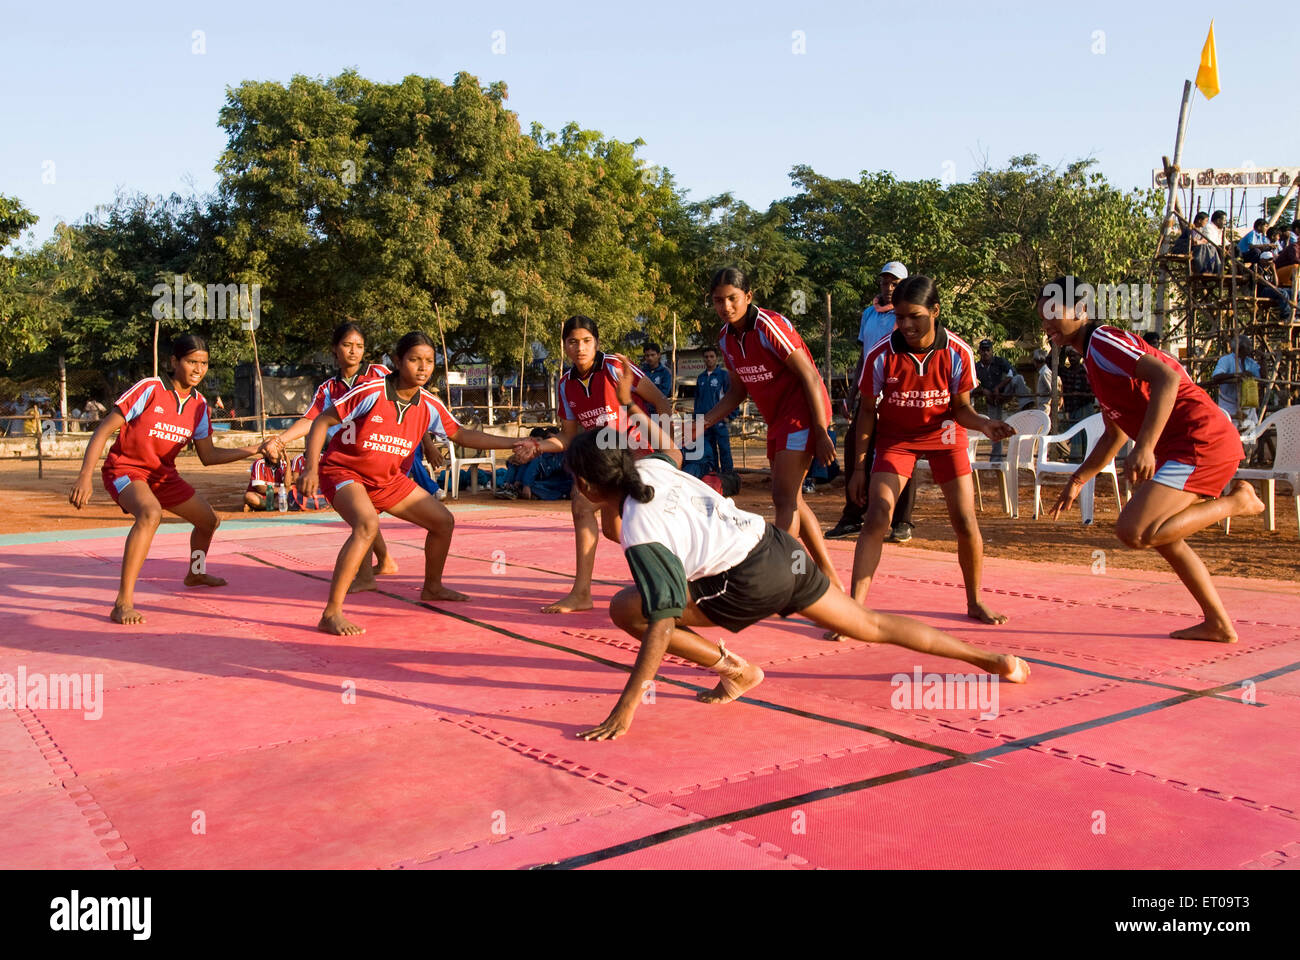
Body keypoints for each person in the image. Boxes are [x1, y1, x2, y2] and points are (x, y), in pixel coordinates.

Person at [565, 428, 1029, 741]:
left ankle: (738, 671)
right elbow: (659, 465)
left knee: (628, 608)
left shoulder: (641, 531)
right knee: (871, 624)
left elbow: (662, 619)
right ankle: (993, 660)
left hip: (745, 580)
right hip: (778, 550)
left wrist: (627, 705)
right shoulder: (653, 469)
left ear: (587, 486)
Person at [1037, 276, 1264, 643]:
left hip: (1200, 439)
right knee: (1163, 536)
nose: (1047, 323)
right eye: (1042, 315)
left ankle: (1238, 502)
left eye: (1054, 311)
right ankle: (1218, 623)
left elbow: (1168, 379)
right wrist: (1079, 478)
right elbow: (1114, 434)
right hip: (1184, 446)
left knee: (1134, 531)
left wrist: (1145, 448)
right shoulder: (1092, 360)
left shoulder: (1105, 340)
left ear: (1081, 311)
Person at [296, 331, 525, 635]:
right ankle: (331, 613)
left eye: (429, 361)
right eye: (415, 360)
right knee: (366, 525)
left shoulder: (430, 403)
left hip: (388, 480)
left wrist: (516, 442)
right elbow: (322, 421)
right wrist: (310, 468)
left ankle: (432, 587)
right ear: (397, 361)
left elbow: (462, 434)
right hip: (344, 472)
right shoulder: (371, 391)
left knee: (443, 521)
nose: (423, 367)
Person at [846, 276, 1016, 626]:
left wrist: (983, 423)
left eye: (915, 317)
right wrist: (860, 469)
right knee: (878, 516)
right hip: (896, 439)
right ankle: (854, 610)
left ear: (935, 311)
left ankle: (975, 601)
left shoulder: (958, 352)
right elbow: (866, 411)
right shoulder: (880, 354)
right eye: (900, 317)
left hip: (946, 434)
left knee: (965, 520)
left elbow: (962, 409)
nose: (906, 324)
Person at [68, 335, 261, 624]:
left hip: (163, 477)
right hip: (125, 471)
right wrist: (85, 476)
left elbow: (208, 456)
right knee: (150, 513)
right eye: (191, 362)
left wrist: (254, 449)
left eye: (204, 363)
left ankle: (196, 572)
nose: (198, 369)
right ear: (174, 362)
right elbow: (103, 430)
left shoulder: (199, 405)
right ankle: (123, 602)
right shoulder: (150, 388)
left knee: (209, 521)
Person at [691, 267, 845, 598]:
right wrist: (703, 422)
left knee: (783, 499)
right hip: (777, 420)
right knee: (794, 501)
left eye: (733, 298)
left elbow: (809, 376)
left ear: (748, 296)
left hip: (804, 415)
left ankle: (781, 578)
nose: (726, 307)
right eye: (718, 301)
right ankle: (828, 577)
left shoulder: (770, 326)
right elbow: (737, 392)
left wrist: (822, 430)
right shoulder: (724, 339)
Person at [517, 315, 671, 613]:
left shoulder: (614, 367)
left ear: (596, 342)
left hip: (640, 455)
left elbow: (662, 402)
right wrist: (538, 446)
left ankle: (585, 592)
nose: (580, 347)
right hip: (605, 461)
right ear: (564, 346)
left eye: (586, 341)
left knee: (584, 503)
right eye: (573, 342)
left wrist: (668, 453)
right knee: (614, 531)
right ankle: (666, 576)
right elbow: (567, 436)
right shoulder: (565, 384)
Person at [262, 322, 397, 590]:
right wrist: (279, 439)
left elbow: (407, 399)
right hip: (349, 460)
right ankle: (382, 563)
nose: (353, 350)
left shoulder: (379, 373)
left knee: (363, 515)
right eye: (347, 345)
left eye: (359, 346)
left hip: (380, 455)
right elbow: (309, 421)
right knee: (363, 514)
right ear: (335, 349)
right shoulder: (327, 389)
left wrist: (426, 443)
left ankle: (372, 572)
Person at [826, 262, 917, 543]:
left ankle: (902, 522)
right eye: (884, 282)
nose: (888, 288)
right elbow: (864, 355)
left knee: (901, 453)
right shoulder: (868, 314)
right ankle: (853, 515)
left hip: (896, 393)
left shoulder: (908, 315)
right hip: (868, 392)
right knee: (855, 447)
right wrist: (852, 394)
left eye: (894, 283)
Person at [692, 346, 735, 476]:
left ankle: (728, 476)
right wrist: (696, 418)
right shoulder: (701, 378)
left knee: (724, 448)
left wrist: (730, 416)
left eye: (711, 356)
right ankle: (714, 475)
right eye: (706, 357)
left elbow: (732, 395)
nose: (709, 359)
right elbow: (697, 399)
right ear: (703, 359)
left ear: (716, 358)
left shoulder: (724, 375)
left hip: (720, 419)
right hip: (704, 421)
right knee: (710, 449)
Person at [974, 339, 1015, 460]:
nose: (986, 353)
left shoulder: (1000, 361)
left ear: (992, 351)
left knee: (1018, 380)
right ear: (979, 352)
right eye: (983, 350)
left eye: (988, 350)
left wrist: (999, 388)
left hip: (1004, 393)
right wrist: (983, 390)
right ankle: (996, 458)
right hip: (991, 399)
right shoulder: (976, 367)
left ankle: (1026, 403)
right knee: (995, 427)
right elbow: (971, 382)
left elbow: (1011, 374)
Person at [1211, 336, 1262, 431]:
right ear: (1240, 347)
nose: (1251, 348)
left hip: (1247, 405)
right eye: (1249, 346)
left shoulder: (1250, 362)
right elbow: (1216, 377)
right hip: (1229, 405)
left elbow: (1263, 377)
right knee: (1230, 434)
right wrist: (1236, 375)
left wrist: (1263, 360)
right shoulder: (1226, 360)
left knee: (1250, 437)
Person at [1032, 348, 1058, 418]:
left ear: (1036, 361)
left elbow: (1053, 391)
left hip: (1045, 408)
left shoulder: (1045, 373)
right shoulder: (1042, 373)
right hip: (1042, 407)